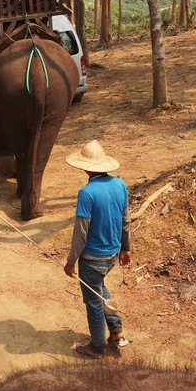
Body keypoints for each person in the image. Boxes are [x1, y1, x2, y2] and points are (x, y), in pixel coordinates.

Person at [63, 139, 131, 358]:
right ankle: (116, 333)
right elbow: (125, 220)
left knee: (93, 301)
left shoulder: (87, 193)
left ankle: (97, 346)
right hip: (112, 254)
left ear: (85, 167)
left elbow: (81, 233)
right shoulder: (120, 184)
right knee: (98, 288)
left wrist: (70, 262)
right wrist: (126, 248)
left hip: (93, 258)